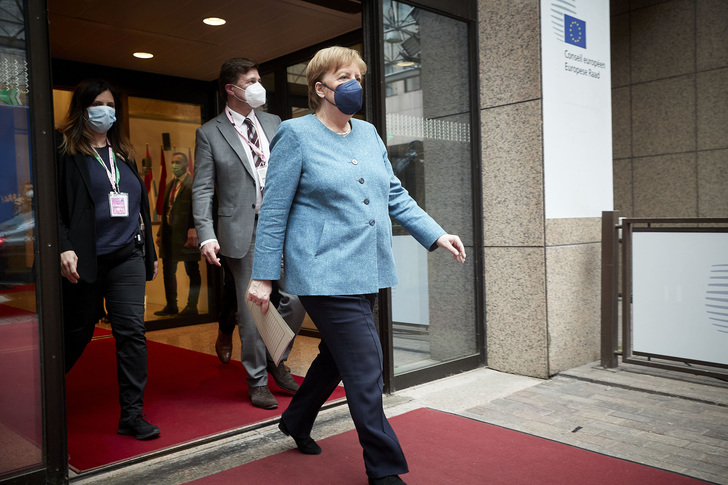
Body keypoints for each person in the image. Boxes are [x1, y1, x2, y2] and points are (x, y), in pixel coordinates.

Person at [247, 46, 466, 485]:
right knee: (367, 365)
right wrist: (263, 276)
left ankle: (297, 420)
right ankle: (384, 470)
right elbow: (273, 210)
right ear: (320, 87)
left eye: (358, 77)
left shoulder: (367, 133)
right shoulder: (295, 133)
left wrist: (435, 232)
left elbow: (395, 194)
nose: (354, 84)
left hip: (368, 267)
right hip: (323, 270)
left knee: (337, 356)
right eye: (343, 75)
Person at [192, 58, 305, 409]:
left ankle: (276, 355)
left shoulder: (275, 123)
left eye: (259, 79)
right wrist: (206, 233)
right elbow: (202, 189)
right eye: (251, 80)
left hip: (283, 224)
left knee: (297, 297)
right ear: (231, 89)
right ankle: (258, 379)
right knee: (253, 308)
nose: (259, 86)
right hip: (244, 229)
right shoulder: (210, 132)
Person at [57, 79, 160, 440]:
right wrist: (62, 245)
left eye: (112, 105)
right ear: (83, 109)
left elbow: (138, 207)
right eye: (99, 104)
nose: (107, 111)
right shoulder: (65, 151)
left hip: (127, 255)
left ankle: (132, 414)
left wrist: (150, 252)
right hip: (85, 259)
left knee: (132, 333)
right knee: (77, 333)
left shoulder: (124, 152)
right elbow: (51, 206)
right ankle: (40, 400)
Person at [154, 152, 201, 317]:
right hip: (169, 235)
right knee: (168, 270)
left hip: (187, 235)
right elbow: (167, 210)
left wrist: (194, 228)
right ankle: (171, 305)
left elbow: (198, 209)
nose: (174, 165)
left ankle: (192, 306)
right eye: (172, 162)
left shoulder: (193, 184)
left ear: (187, 164)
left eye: (178, 162)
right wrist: (160, 233)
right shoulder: (170, 184)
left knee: (191, 269)